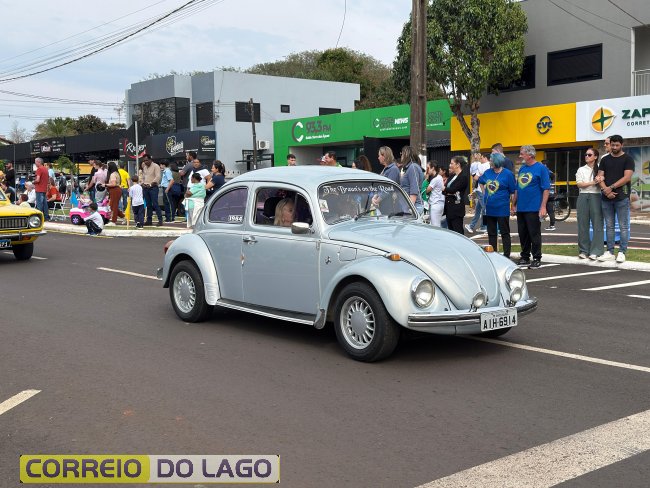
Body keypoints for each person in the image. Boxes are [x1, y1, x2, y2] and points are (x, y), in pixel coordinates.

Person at [596, 134, 635, 263]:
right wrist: (606, 190)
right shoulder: (605, 159)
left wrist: (611, 187)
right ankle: (610, 252)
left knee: (623, 226)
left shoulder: (628, 159)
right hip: (606, 198)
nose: (614, 147)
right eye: (612, 145)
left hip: (622, 197)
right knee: (609, 226)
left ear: (622, 145)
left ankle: (622, 252)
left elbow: (627, 177)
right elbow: (599, 177)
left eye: (617, 145)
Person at [513, 145, 550, 269]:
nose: (520, 156)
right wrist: (514, 204)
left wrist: (543, 207)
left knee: (534, 234)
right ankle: (525, 257)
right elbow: (517, 188)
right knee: (522, 234)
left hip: (534, 207)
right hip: (521, 207)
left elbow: (546, 189)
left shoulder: (541, 168)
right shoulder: (523, 168)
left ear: (530, 155)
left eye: (522, 154)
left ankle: (537, 258)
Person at [479, 153, 517, 258]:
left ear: (496, 162)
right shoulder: (487, 172)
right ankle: (493, 255)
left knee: (504, 232)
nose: (489, 162)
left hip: (502, 208)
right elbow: (480, 181)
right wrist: (484, 193)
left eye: (491, 160)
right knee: (491, 233)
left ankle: (506, 255)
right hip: (489, 208)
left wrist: (513, 206)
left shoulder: (508, 174)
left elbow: (513, 191)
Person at [576, 148, 603, 260]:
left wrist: (599, 180)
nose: (586, 156)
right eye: (586, 154)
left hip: (596, 196)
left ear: (595, 157)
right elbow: (579, 184)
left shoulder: (600, 169)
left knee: (597, 224)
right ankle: (584, 250)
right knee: (582, 224)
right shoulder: (581, 169)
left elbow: (602, 180)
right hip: (583, 196)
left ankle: (596, 251)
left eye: (589, 154)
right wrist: (593, 182)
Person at [443, 155, 469, 234]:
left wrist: (445, 189)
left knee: (458, 231)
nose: (450, 165)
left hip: (456, 208)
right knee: (451, 232)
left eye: (452, 163)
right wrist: (446, 190)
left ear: (458, 165)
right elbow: (446, 190)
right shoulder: (452, 176)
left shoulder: (463, 177)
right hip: (449, 207)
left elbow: (453, 189)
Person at [465, 153, 490, 233]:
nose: (480, 159)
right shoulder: (490, 165)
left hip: (481, 189)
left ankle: (485, 226)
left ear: (485, 158)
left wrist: (473, 174)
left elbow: (476, 177)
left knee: (484, 209)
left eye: (481, 158)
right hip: (485, 190)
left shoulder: (481, 165)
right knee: (478, 209)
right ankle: (473, 226)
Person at [138, 154, 163, 227]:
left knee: (155, 204)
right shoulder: (144, 167)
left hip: (153, 187)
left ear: (150, 160)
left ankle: (160, 220)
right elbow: (143, 177)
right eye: (144, 161)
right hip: (145, 187)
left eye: (146, 160)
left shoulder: (156, 166)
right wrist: (142, 183)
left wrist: (151, 184)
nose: (145, 162)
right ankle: (149, 220)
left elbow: (158, 176)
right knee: (148, 205)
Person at [399, 146, 425, 214]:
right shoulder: (411, 167)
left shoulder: (413, 167)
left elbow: (414, 190)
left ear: (406, 154)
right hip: (411, 206)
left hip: (413, 207)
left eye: (401, 153)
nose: (401, 155)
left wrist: (410, 209)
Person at [424, 161, 445, 227]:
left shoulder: (436, 179)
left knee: (435, 226)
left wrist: (426, 178)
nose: (427, 170)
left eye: (428, 168)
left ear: (433, 168)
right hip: (438, 203)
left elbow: (426, 190)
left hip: (436, 204)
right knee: (435, 224)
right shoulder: (439, 177)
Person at [105, 161, 125, 226]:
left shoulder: (112, 174)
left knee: (114, 206)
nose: (107, 167)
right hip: (116, 190)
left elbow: (113, 184)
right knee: (112, 206)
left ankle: (113, 221)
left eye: (108, 166)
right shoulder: (116, 173)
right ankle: (123, 217)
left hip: (115, 190)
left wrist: (105, 185)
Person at [540, 159, 556, 231]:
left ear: (545, 165)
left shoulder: (545, 172)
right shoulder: (551, 172)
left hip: (546, 193)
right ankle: (552, 225)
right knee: (550, 210)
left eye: (541, 164)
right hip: (551, 193)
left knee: (545, 208)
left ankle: (542, 219)